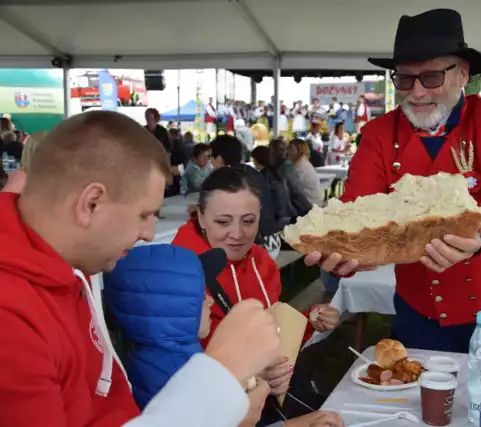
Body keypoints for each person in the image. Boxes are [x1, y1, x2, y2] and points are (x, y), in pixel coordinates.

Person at [0, 110, 283, 427]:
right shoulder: (10, 317)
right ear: (91, 204)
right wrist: (221, 384)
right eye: (144, 214)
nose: (149, 233)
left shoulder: (63, 262)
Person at [304, 9, 481, 356]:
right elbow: (357, 208)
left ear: (462, 74)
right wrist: (343, 247)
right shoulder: (380, 134)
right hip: (421, 311)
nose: (415, 93)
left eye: (430, 78)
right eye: (404, 79)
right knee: (421, 405)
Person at [171, 168, 340, 414]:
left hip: (266, 399)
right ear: (201, 217)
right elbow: (176, 367)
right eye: (223, 222)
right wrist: (250, 373)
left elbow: (274, 328)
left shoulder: (261, 261)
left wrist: (312, 319)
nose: (237, 235)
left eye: (248, 221)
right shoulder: (178, 271)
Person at [104, 244, 213, 408]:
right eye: (202, 297)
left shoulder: (150, 361)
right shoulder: (181, 375)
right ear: (175, 310)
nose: (211, 301)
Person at [210, 134, 282, 259]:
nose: (210, 161)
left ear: (220, 159)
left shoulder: (226, 179)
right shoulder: (251, 171)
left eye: (211, 157)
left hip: (258, 247)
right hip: (273, 240)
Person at [252, 145, 296, 229]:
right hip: (288, 215)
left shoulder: (262, 178)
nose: (253, 162)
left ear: (257, 159)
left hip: (277, 220)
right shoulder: (277, 174)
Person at [269, 139, 313, 219]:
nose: (288, 152)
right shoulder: (297, 164)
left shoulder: (292, 167)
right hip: (306, 205)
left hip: (306, 208)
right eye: (287, 149)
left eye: (291, 149)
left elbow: (286, 194)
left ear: (299, 150)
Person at [287, 138, 323, 206]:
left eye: (291, 149)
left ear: (300, 151)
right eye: (288, 148)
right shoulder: (302, 163)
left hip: (310, 207)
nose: (288, 151)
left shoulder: (301, 166)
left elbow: (290, 188)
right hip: (312, 204)